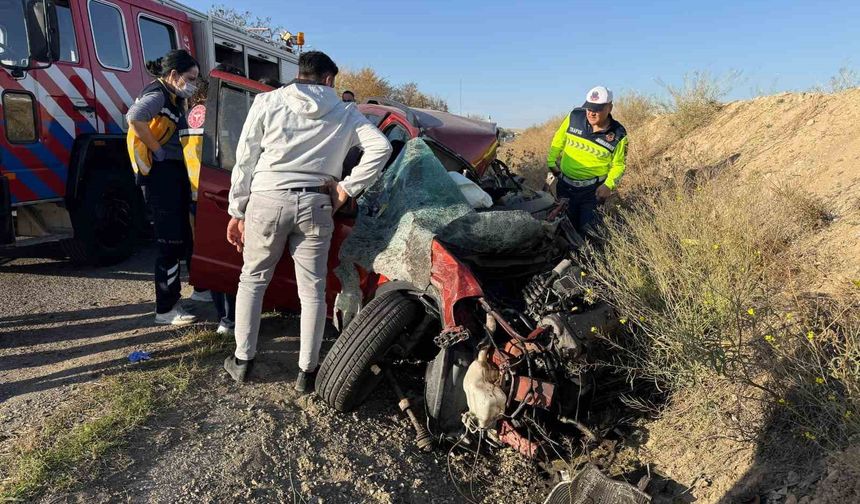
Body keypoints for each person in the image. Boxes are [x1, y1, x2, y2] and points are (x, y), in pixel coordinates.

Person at [223, 51, 392, 392]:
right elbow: (382, 149)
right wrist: (346, 188)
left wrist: (237, 210)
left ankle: (243, 361)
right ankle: (307, 373)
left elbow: (245, 159)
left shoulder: (267, 102)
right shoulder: (346, 113)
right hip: (316, 202)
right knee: (312, 290)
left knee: (253, 280)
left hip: (267, 198)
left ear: (300, 73)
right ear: (329, 80)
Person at [127, 49, 200, 325]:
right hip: (161, 175)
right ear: (173, 75)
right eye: (189, 78)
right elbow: (135, 117)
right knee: (169, 242)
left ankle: (193, 292)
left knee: (181, 236)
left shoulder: (172, 96)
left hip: (171, 173)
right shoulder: (158, 94)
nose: (192, 83)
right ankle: (166, 308)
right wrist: (157, 149)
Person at [183, 78, 237, 336]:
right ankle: (228, 319)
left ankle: (216, 306)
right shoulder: (213, 114)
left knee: (209, 252)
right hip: (215, 190)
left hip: (199, 190)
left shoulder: (193, 113)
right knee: (224, 258)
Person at [547, 86, 628, 238]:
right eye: (589, 108)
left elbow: (619, 165)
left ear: (610, 107)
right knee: (564, 229)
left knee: (589, 232)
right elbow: (559, 140)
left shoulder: (618, 134)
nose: (591, 112)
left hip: (592, 192)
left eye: (597, 109)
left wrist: (608, 185)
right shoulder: (574, 117)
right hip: (565, 188)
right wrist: (551, 162)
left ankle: (587, 260)